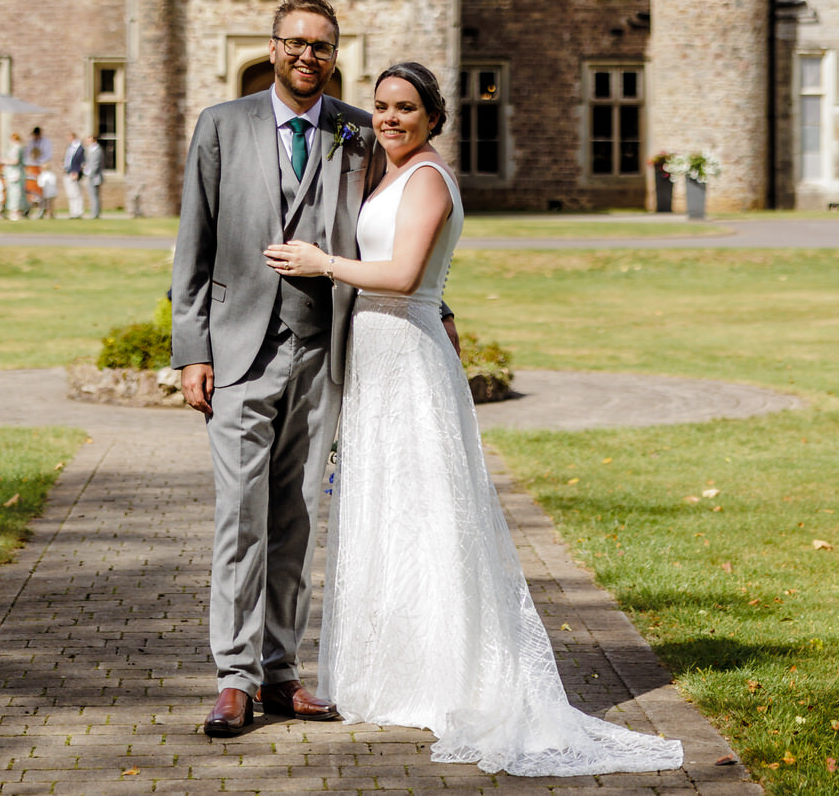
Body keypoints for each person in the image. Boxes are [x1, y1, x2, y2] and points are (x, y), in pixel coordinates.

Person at [266, 62, 686, 777]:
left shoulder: (428, 178)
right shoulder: (389, 170)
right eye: (381, 107)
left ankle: (454, 677)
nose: (390, 118)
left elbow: (402, 275)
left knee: (432, 512)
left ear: (433, 115)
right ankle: (397, 670)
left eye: (405, 108)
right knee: (389, 512)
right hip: (378, 354)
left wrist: (320, 260)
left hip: (408, 353)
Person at [170, 0, 372, 738]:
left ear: (334, 53)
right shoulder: (222, 126)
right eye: (294, 42)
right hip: (240, 351)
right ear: (273, 45)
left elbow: (385, 231)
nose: (306, 56)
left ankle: (282, 672)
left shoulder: (357, 130)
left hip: (322, 351)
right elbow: (193, 242)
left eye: (321, 45)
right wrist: (192, 350)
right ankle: (234, 675)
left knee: (299, 518)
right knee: (239, 516)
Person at [62, 132, 88, 218]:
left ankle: (79, 212)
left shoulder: (80, 148)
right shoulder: (69, 147)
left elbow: (81, 162)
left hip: (74, 173)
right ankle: (73, 212)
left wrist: (76, 172)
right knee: (71, 194)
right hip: (68, 172)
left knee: (77, 193)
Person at [2, 132, 26, 220]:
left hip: (15, 173)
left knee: (15, 193)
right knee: (14, 193)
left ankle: (15, 212)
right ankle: (16, 212)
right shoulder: (16, 147)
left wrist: (5, 161)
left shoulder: (17, 148)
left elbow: (15, 161)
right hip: (12, 173)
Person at [82, 128, 105, 219]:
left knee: (94, 196)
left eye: (89, 139)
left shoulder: (97, 150)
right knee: (93, 196)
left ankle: (95, 214)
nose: (87, 141)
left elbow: (95, 165)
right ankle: (94, 213)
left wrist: (88, 174)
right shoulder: (91, 150)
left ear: (93, 140)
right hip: (92, 176)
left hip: (95, 177)